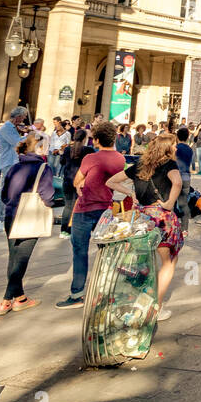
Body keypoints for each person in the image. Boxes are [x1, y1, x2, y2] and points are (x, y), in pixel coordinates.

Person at [106, 134, 184, 318]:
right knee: (168, 262)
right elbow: (178, 182)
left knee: (144, 261)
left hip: (142, 217)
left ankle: (139, 299)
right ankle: (156, 306)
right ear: (166, 148)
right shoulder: (169, 165)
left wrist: (131, 193)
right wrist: (170, 202)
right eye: (174, 146)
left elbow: (111, 182)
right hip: (161, 217)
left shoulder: (139, 166)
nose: (176, 149)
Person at [54, 121, 125, 308]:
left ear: (98, 139)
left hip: (85, 208)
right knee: (107, 252)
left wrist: (82, 183)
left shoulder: (91, 158)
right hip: (106, 208)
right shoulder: (120, 159)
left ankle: (77, 294)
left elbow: (78, 180)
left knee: (80, 251)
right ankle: (107, 292)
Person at [0, 134, 55, 316]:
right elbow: (48, 196)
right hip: (29, 216)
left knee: (13, 257)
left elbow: (4, 194)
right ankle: (6, 300)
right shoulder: (43, 168)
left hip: (11, 215)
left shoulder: (14, 167)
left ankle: (20, 297)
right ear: (39, 148)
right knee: (21, 259)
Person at [0, 107, 30, 232]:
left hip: (12, 161)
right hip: (8, 162)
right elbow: (17, 143)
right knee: (3, 191)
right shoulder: (6, 128)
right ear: (18, 117)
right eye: (23, 117)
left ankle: (4, 217)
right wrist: (30, 136)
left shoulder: (12, 128)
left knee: (10, 190)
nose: (24, 119)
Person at [57, 127, 95, 237]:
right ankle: (76, 229)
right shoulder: (88, 150)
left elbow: (62, 162)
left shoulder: (68, 149)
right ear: (84, 139)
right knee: (81, 206)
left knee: (68, 206)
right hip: (81, 181)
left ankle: (64, 231)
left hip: (68, 181)